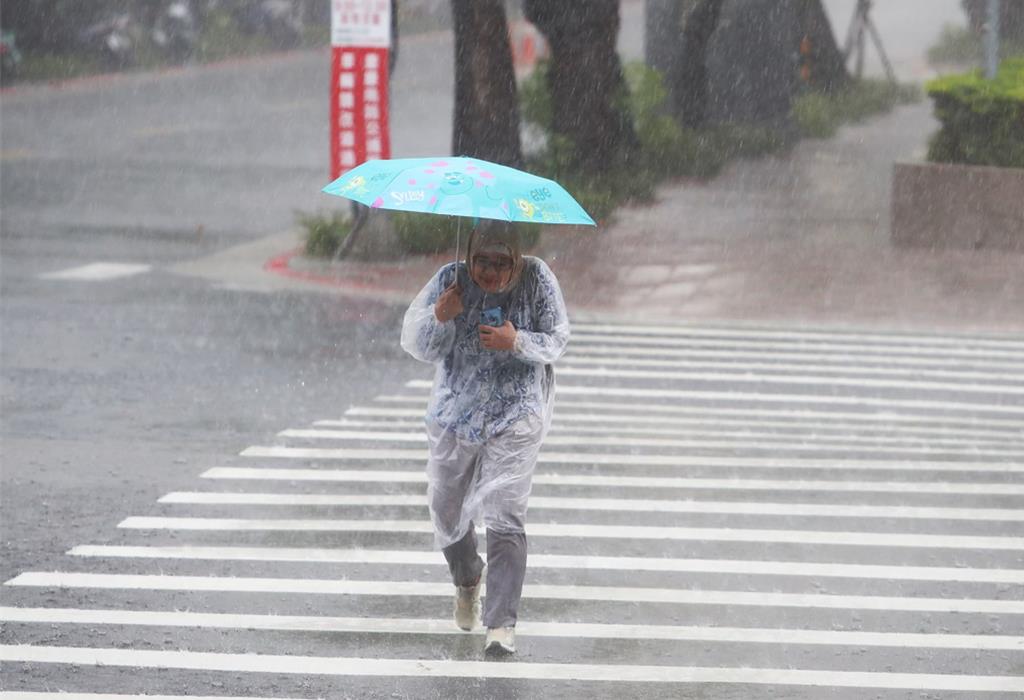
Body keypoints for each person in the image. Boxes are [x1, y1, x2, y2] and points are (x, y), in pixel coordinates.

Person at [400, 219, 570, 655]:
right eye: (482, 261)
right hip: (455, 415)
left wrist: (517, 341)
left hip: (516, 415)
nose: (491, 272)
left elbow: (557, 340)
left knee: (505, 514)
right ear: (470, 254)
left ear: (516, 259)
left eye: (501, 262)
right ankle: (467, 576)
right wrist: (440, 316)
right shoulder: (451, 279)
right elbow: (420, 345)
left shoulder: (537, 279)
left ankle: (500, 623)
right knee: (446, 508)